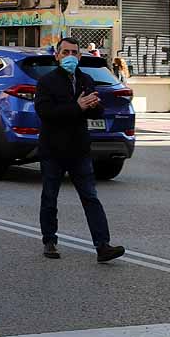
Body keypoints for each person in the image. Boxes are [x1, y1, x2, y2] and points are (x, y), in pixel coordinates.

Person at [35, 36, 127, 262]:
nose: (69, 57)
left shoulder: (85, 79)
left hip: (79, 148)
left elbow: (95, 111)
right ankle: (50, 241)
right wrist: (77, 107)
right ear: (57, 56)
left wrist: (95, 106)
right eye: (65, 53)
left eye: (74, 53)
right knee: (50, 197)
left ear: (79, 56)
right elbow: (46, 113)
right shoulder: (47, 82)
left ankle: (102, 245)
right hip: (53, 149)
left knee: (90, 197)